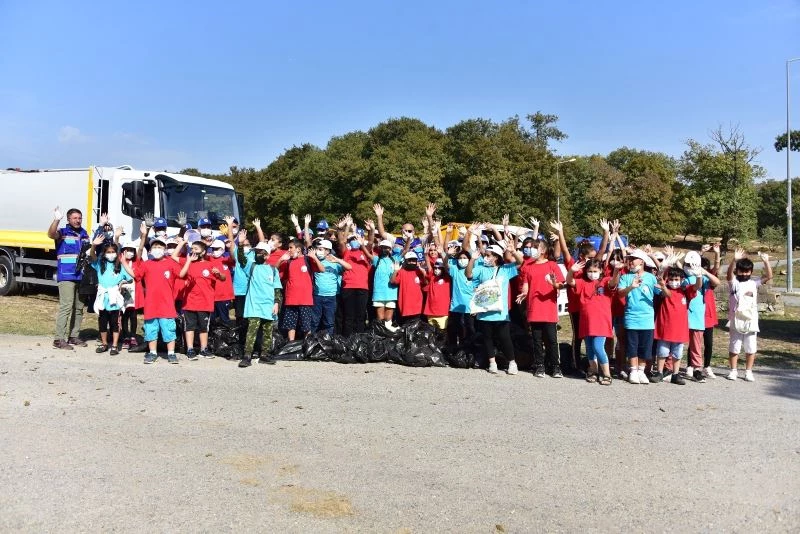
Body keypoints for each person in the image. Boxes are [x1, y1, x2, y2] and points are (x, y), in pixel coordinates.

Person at [121, 223, 181, 364]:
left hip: (167, 305)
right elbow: (136, 275)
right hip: (151, 305)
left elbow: (182, 273)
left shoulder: (171, 263)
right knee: (151, 330)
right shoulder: (147, 264)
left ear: (165, 249)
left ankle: (171, 353)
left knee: (168, 330)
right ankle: (152, 353)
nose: (157, 249)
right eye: (154, 246)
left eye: (160, 247)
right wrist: (124, 263)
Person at [466, 237, 523, 375]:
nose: (486, 257)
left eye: (488, 255)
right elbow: (468, 274)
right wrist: (472, 259)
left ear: (496, 257)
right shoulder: (480, 269)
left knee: (505, 338)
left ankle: (512, 362)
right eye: (485, 255)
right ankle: (492, 363)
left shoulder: (505, 269)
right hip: (484, 311)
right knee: (487, 338)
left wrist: (513, 252)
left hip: (501, 312)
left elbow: (520, 263)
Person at [517, 238, 566, 378]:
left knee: (551, 339)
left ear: (543, 250)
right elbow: (526, 284)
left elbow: (561, 285)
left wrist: (554, 283)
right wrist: (524, 294)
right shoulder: (528, 266)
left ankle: (556, 367)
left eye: (535, 247)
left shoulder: (552, 265)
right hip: (534, 309)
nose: (531, 250)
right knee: (536, 340)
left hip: (548, 309)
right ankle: (539, 365)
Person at [726, 248, 772, 382]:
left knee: (751, 347)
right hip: (736, 319)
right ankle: (733, 371)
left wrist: (766, 262)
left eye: (747, 271)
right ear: (737, 270)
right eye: (742, 271)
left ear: (751, 271)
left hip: (751, 320)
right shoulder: (734, 283)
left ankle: (748, 371)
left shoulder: (754, 283)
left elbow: (769, 276)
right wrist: (734, 260)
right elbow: (729, 274)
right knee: (734, 346)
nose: (744, 273)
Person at [566, 259, 615, 385]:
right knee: (589, 348)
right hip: (586, 321)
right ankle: (593, 371)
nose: (592, 273)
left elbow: (613, 282)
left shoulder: (604, 281)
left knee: (598, 347)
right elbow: (570, 281)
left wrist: (616, 270)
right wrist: (571, 271)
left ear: (601, 271)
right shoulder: (582, 282)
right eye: (589, 271)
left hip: (601, 321)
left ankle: (606, 374)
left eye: (595, 271)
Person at [47, 206, 90, 349]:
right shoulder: (63, 233)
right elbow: (51, 234)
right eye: (74, 218)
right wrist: (56, 220)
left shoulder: (84, 234)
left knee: (79, 308)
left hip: (81, 275)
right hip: (66, 275)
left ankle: (73, 336)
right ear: (68, 219)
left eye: (79, 218)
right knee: (66, 306)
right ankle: (59, 339)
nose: (77, 220)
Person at [651, 265, 701, 384]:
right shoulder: (663, 290)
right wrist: (663, 285)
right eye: (672, 279)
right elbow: (668, 294)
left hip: (679, 329)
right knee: (662, 352)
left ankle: (676, 374)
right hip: (664, 328)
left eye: (676, 279)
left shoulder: (685, 291)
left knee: (677, 353)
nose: (674, 282)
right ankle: (659, 372)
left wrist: (699, 276)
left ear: (682, 280)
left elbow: (697, 286)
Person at [177, 239, 225, 359]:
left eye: (196, 249)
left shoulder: (210, 265)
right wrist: (182, 245)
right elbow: (177, 265)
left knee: (204, 328)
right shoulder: (188, 263)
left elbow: (223, 278)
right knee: (190, 327)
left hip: (205, 303)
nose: (193, 251)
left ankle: (204, 349)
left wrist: (219, 273)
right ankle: (190, 349)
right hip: (189, 302)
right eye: (192, 248)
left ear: (203, 252)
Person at [616, 249, 658, 384]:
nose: (631, 262)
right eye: (629, 259)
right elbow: (620, 294)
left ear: (642, 261)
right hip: (631, 317)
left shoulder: (651, 277)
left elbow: (660, 291)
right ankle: (633, 371)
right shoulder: (625, 277)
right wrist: (631, 287)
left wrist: (662, 285)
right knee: (632, 346)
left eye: (633, 259)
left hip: (647, 318)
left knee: (645, 347)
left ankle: (641, 371)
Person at [239, 242, 283, 368]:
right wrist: (241, 245)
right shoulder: (251, 266)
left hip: (268, 306)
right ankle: (247, 356)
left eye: (261, 252)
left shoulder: (273, 270)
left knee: (268, 332)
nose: (258, 254)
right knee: (251, 331)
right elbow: (241, 259)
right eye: (256, 252)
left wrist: (276, 303)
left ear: (267, 255)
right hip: (254, 306)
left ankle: (265, 355)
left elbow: (277, 289)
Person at [88, 236, 132, 355]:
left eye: (113, 252)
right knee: (102, 323)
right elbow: (92, 256)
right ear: (104, 253)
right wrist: (93, 245)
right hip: (103, 298)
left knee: (115, 323)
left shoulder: (120, 266)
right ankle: (104, 343)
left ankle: (114, 345)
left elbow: (130, 278)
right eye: (108, 252)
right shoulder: (100, 264)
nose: (111, 254)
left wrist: (122, 283)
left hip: (115, 300)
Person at [683, 250, 721, 382]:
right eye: (687, 264)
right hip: (682, 315)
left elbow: (717, 282)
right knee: (676, 343)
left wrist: (703, 273)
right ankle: (669, 368)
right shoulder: (683, 278)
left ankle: (697, 369)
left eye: (691, 264)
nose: (689, 267)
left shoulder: (703, 277)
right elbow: (694, 287)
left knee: (696, 345)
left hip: (698, 316)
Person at [277, 239, 321, 340]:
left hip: (305, 299)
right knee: (290, 324)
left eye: (291, 248)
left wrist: (314, 257)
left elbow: (321, 269)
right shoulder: (288, 262)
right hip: (291, 299)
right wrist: (280, 260)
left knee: (306, 325)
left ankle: (307, 344)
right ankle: (291, 345)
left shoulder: (307, 260)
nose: (288, 250)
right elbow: (274, 271)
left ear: (298, 249)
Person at [338, 216, 372, 335]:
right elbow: (342, 241)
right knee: (349, 315)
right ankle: (348, 340)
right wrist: (342, 228)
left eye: (356, 238)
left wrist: (371, 230)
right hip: (348, 287)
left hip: (363, 287)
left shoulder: (365, 252)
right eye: (352, 239)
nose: (354, 240)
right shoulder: (346, 252)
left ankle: (360, 339)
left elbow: (371, 242)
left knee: (361, 315)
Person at [309, 239, 351, 334]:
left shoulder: (334, 263)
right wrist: (314, 257)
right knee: (314, 321)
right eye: (317, 249)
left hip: (331, 296)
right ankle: (311, 341)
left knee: (329, 322)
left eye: (321, 249)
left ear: (327, 251)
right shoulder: (314, 261)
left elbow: (349, 267)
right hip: (317, 295)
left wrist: (337, 260)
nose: (318, 251)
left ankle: (328, 341)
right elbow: (321, 269)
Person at [390, 252, 428, 324]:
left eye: (413, 260)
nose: (411, 262)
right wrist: (395, 271)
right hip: (405, 307)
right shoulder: (401, 272)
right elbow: (392, 281)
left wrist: (423, 272)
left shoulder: (419, 272)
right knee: (406, 329)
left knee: (416, 329)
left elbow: (426, 283)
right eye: (409, 260)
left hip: (417, 307)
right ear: (406, 261)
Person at [371, 238, 400, 331]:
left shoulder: (394, 259)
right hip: (378, 293)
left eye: (387, 248)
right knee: (380, 317)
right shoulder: (376, 260)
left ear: (390, 249)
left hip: (391, 293)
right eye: (382, 247)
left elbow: (405, 251)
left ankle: (387, 337)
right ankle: (380, 336)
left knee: (388, 318)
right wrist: (362, 244)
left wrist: (409, 238)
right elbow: (367, 252)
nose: (384, 249)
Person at [208, 238, 235, 326]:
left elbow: (233, 258)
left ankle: (226, 337)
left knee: (224, 319)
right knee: (212, 319)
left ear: (222, 250)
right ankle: (213, 338)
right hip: (212, 295)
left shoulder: (226, 260)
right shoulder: (209, 259)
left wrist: (230, 248)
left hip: (224, 295)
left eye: (216, 249)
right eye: (213, 249)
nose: (214, 251)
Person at [424, 257, 451, 332]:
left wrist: (446, 255)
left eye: (439, 268)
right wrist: (426, 255)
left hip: (442, 312)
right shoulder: (432, 277)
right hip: (430, 311)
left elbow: (447, 267)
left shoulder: (447, 278)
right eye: (435, 268)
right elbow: (429, 266)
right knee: (431, 332)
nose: (436, 270)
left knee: (442, 332)